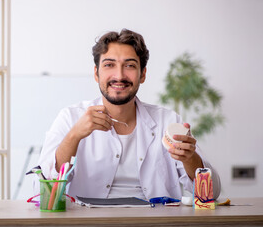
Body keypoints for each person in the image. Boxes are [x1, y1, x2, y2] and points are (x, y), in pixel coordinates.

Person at [37, 29, 221, 200]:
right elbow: (43, 191)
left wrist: (190, 159)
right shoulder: (70, 118)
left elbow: (211, 193)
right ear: (96, 73)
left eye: (130, 66)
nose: (119, 75)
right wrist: (74, 136)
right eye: (109, 65)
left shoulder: (168, 121)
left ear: (142, 75)